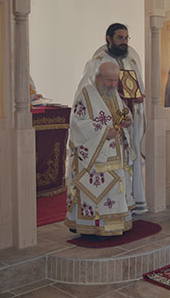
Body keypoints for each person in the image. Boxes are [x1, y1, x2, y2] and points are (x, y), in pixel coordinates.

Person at [78, 23, 147, 214]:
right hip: (106, 124)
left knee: (128, 163)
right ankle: (108, 209)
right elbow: (88, 91)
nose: (124, 42)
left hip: (127, 122)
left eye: (126, 38)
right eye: (119, 37)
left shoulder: (131, 61)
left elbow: (138, 87)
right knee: (111, 167)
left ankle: (127, 204)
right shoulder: (98, 62)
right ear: (108, 38)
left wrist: (139, 98)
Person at [65, 62, 135, 236]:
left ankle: (114, 225)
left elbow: (122, 112)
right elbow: (77, 123)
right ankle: (92, 227)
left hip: (115, 153)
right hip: (94, 156)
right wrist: (104, 132)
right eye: (109, 80)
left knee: (115, 190)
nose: (113, 84)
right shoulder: (85, 94)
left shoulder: (113, 94)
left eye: (115, 80)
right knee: (95, 192)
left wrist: (127, 119)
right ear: (98, 77)